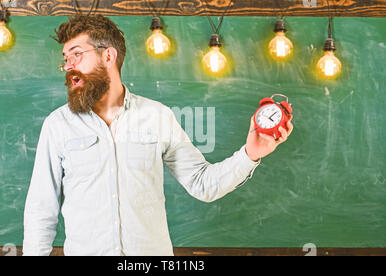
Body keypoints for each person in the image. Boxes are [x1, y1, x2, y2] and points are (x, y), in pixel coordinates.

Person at [23, 14, 293, 256]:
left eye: (77, 54)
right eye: (65, 59)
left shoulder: (157, 116)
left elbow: (202, 183)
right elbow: (41, 211)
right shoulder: (58, 125)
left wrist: (250, 155)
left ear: (108, 56)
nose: (69, 66)